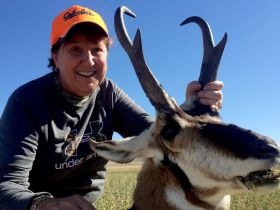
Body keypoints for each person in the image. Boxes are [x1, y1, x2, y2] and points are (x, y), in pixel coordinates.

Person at [0, 5, 223, 210]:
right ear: (56, 57)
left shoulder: (109, 94)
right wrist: (46, 205)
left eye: (97, 50)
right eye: (75, 49)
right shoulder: (26, 101)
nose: (88, 60)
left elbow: (160, 138)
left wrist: (188, 112)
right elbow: (6, 186)